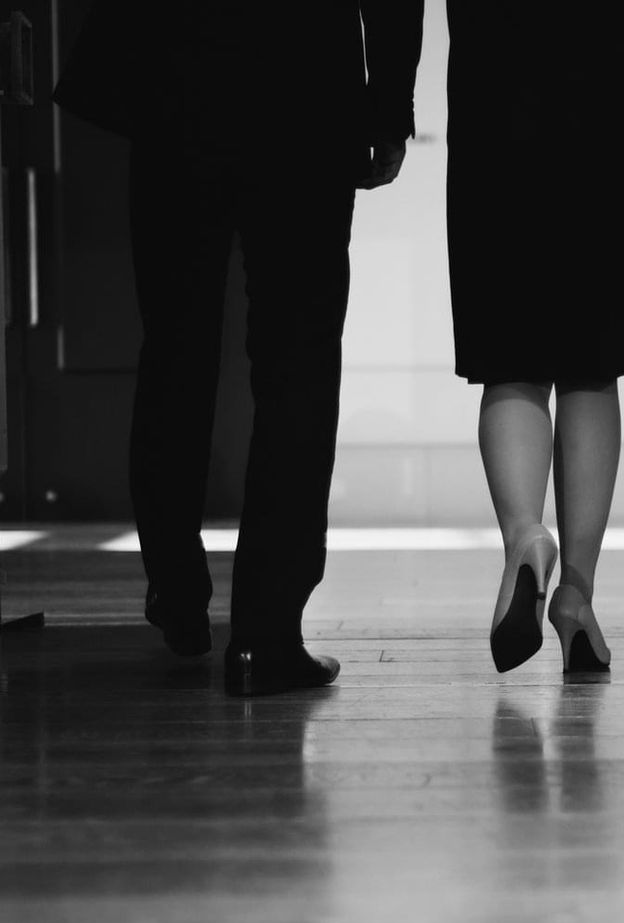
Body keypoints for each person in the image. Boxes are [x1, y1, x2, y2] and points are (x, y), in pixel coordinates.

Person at [53, 0, 424, 695]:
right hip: (305, 87)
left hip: (177, 75)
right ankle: (264, 633)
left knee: (175, 345)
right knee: (297, 365)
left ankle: (175, 586)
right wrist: (388, 108)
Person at [445, 0, 624, 674]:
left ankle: (526, 539)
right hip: (599, 75)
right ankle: (576, 597)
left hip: (492, 77)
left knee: (511, 354)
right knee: (593, 360)